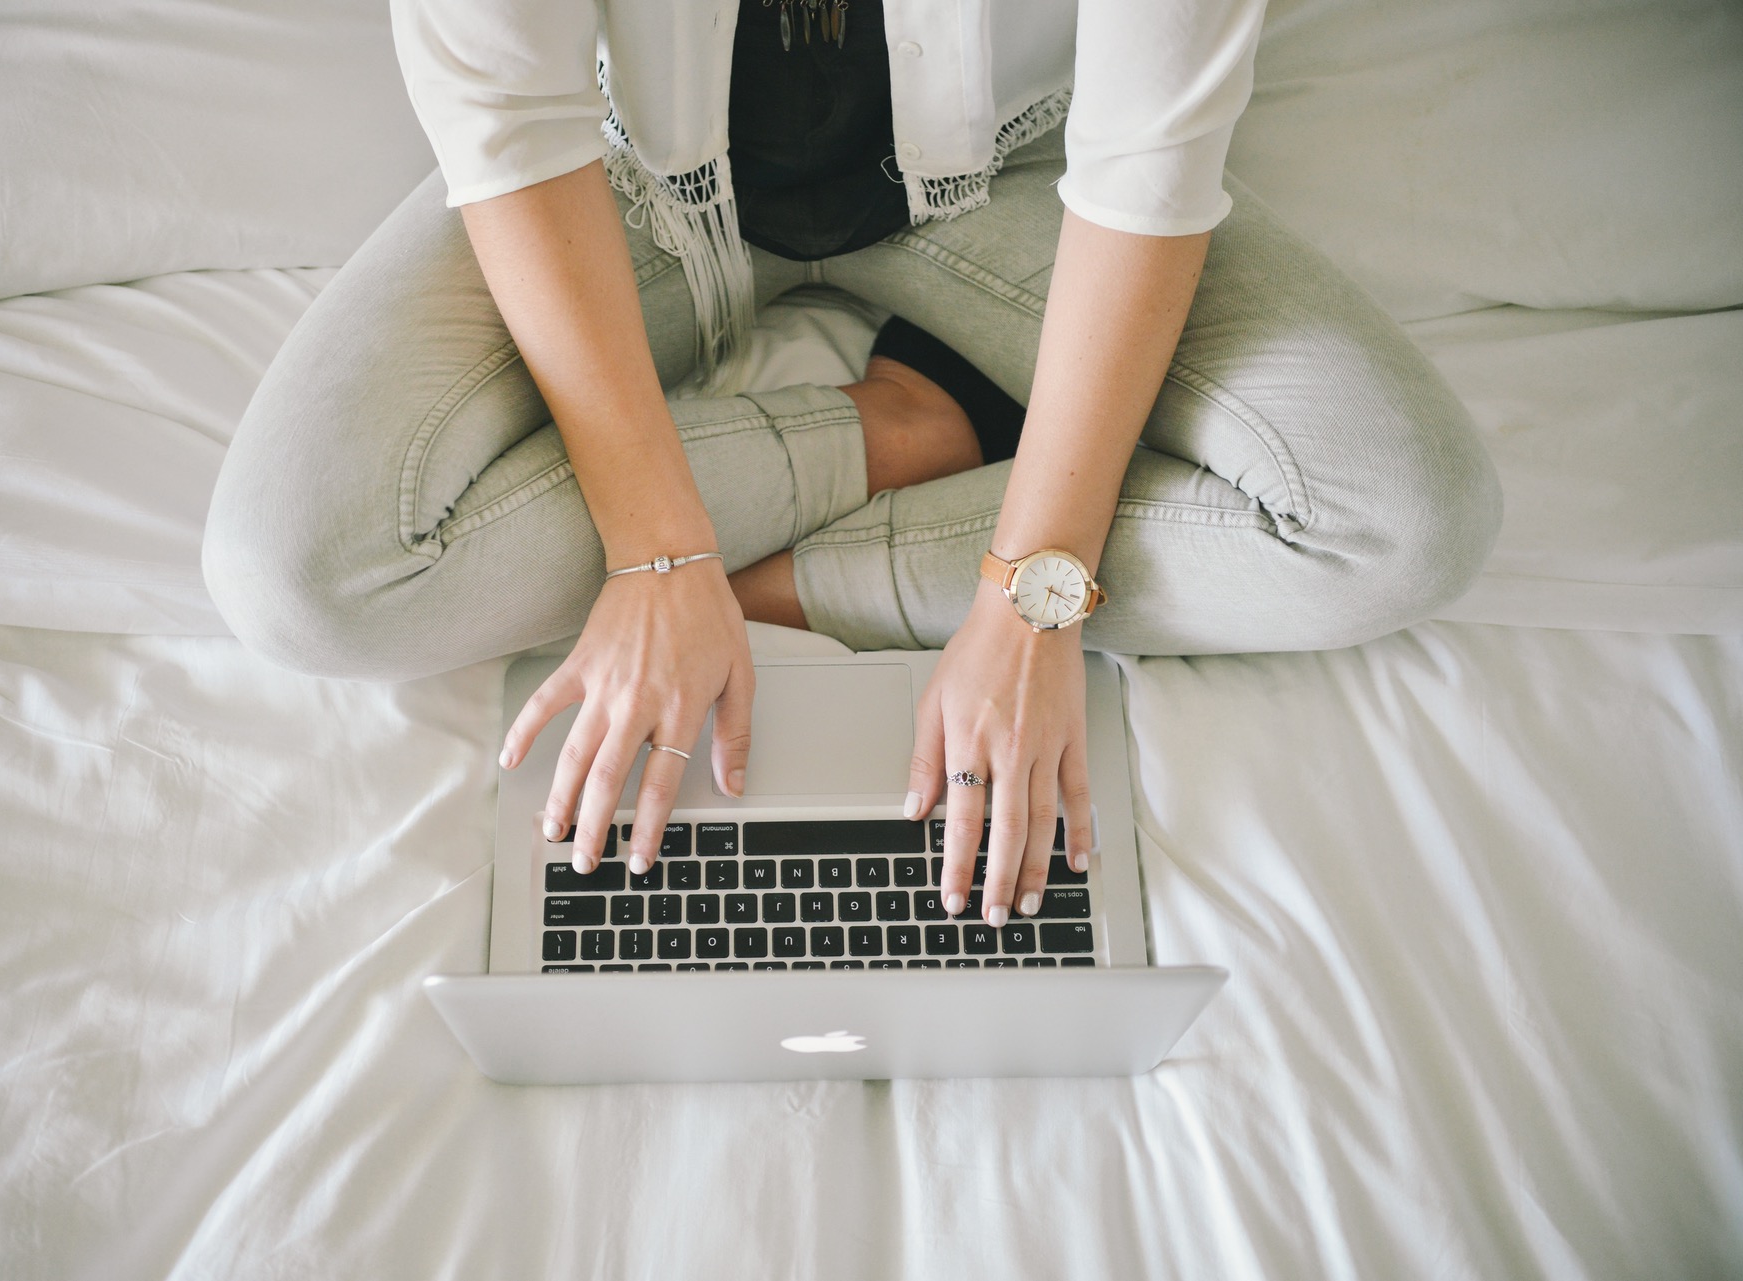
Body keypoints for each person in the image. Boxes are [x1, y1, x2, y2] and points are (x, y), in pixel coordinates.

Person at [202, 0, 1501, 932]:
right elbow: (507, 110)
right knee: (300, 572)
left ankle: (763, 571)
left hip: (1024, 173)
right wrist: (655, 549)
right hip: (631, 186)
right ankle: (903, 432)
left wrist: (1028, 591)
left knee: (1399, 517)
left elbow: (1148, 164)